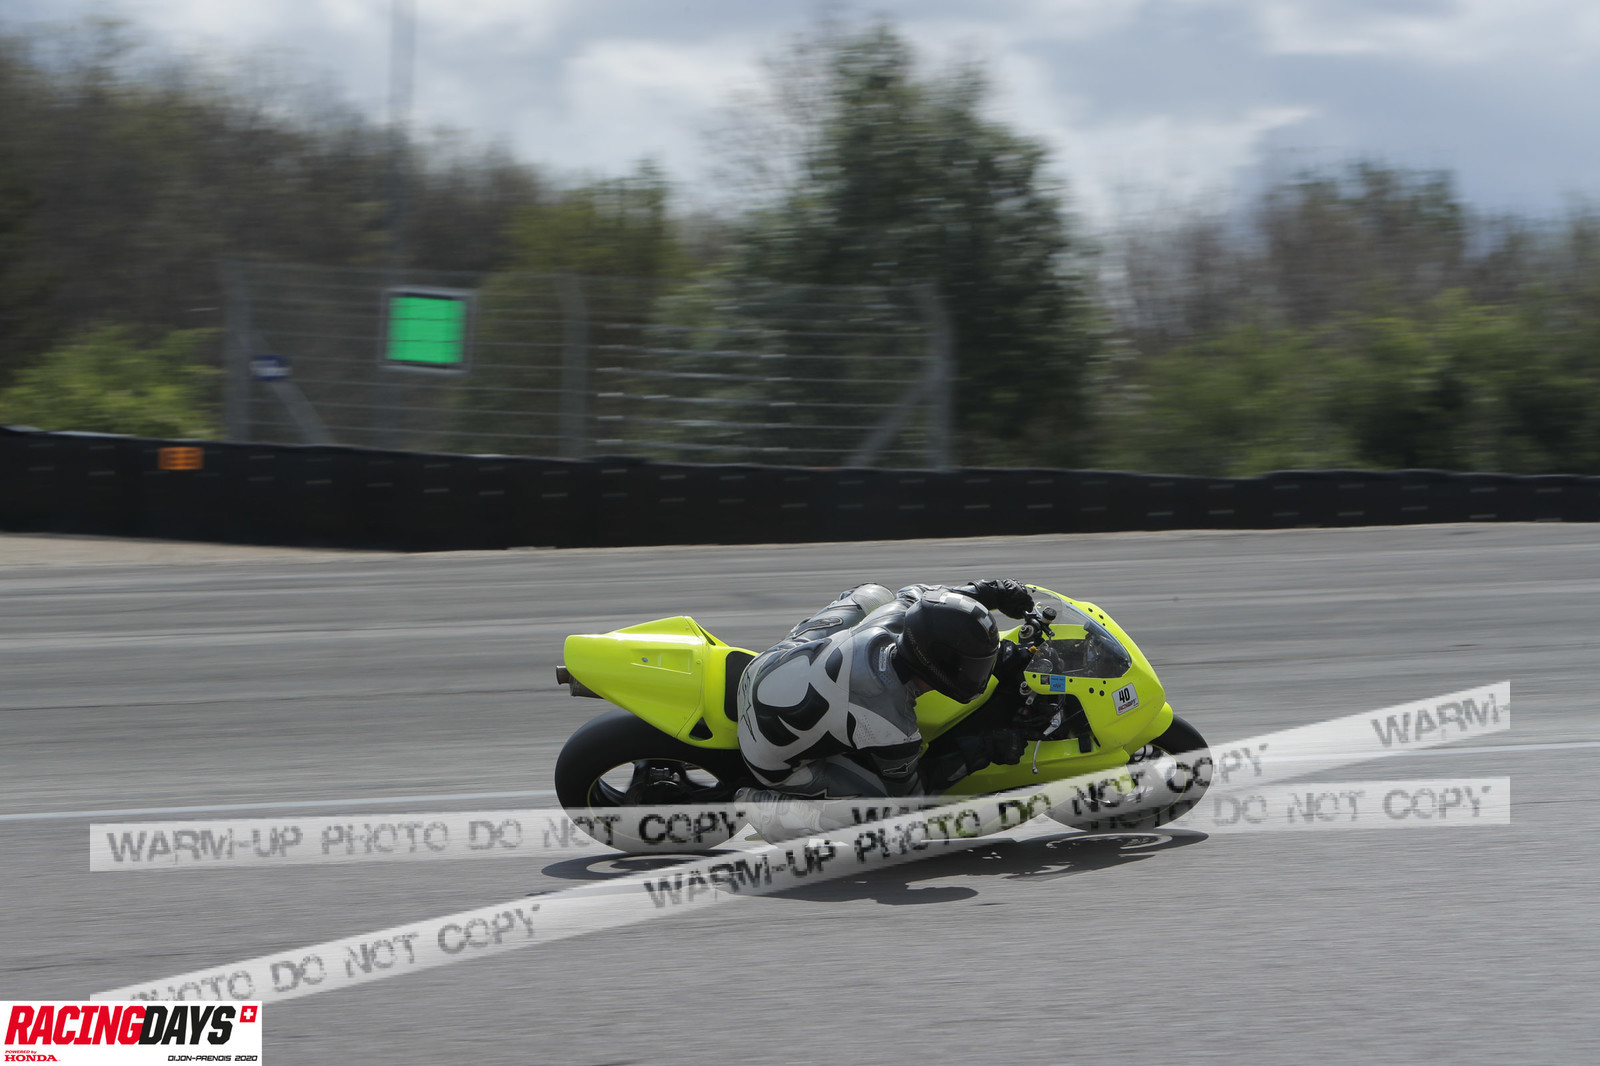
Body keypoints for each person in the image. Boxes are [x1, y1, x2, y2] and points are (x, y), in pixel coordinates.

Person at [734, 579, 1045, 836]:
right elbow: (912, 793)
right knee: (892, 816)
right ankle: (774, 812)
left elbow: (928, 598)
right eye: (972, 666)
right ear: (938, 663)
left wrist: (991, 591)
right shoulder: (889, 719)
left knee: (874, 595)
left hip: (764, 668)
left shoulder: (896, 619)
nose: (980, 673)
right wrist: (987, 748)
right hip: (767, 756)